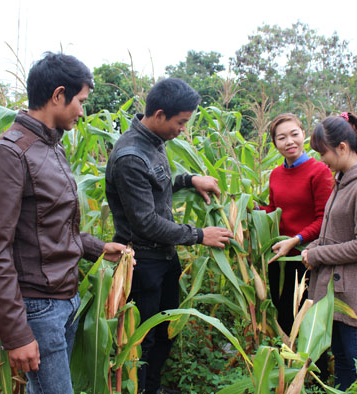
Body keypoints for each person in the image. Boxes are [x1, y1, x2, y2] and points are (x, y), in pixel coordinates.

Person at [0, 52, 129, 394]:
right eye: (80, 101)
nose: (81, 110)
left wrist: (97, 247)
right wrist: (17, 334)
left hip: (65, 298)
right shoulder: (10, 154)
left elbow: (52, 224)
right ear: (58, 95)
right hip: (39, 305)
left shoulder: (51, 148)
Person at [105, 78, 233, 394]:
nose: (183, 130)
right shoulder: (131, 156)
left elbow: (157, 188)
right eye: (181, 122)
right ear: (160, 114)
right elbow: (146, 221)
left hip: (163, 257)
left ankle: (154, 388)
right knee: (143, 339)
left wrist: (190, 179)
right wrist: (199, 234)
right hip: (143, 262)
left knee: (164, 331)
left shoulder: (153, 142)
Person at [302, 112, 357, 390]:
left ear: (342, 147)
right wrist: (313, 246)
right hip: (337, 292)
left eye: (323, 152)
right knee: (342, 360)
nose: (320, 160)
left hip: (352, 294)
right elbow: (336, 233)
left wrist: (316, 255)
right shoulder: (343, 181)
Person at [263, 113, 333, 336]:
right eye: (281, 138)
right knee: (284, 319)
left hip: (305, 258)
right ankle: (288, 369)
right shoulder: (275, 174)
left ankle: (313, 370)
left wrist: (297, 239)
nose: (289, 141)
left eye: (294, 134)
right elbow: (275, 211)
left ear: (304, 134)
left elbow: (325, 219)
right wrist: (250, 211)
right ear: (275, 143)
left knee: (307, 324)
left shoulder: (319, 172)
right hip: (279, 259)